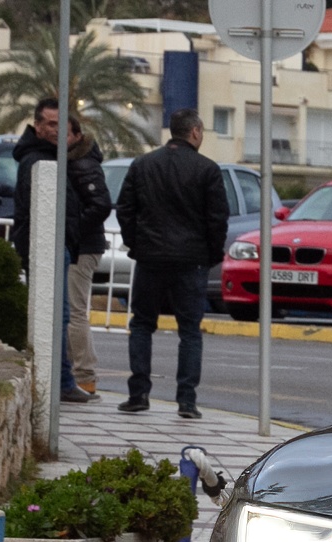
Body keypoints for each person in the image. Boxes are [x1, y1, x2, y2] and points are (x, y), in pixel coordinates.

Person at [116, 108, 229, 419]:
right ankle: (187, 401)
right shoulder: (207, 169)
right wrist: (211, 255)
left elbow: (125, 209)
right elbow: (217, 219)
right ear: (194, 132)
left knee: (141, 324)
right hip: (192, 261)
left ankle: (138, 394)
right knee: (190, 331)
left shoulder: (143, 164)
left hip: (150, 257)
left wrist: (137, 244)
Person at [10, 98, 96, 403]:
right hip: (48, 249)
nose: (56, 129)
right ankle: (60, 382)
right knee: (56, 318)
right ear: (37, 125)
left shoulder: (55, 158)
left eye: (61, 124)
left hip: (60, 247)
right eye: (49, 123)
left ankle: (61, 380)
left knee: (57, 317)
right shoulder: (39, 161)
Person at [66, 116, 112, 395]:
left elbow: (101, 204)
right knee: (73, 310)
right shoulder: (75, 161)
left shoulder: (83, 164)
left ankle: (85, 374)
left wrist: (73, 228)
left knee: (75, 311)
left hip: (84, 247)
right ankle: (81, 373)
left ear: (77, 135)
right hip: (82, 245)